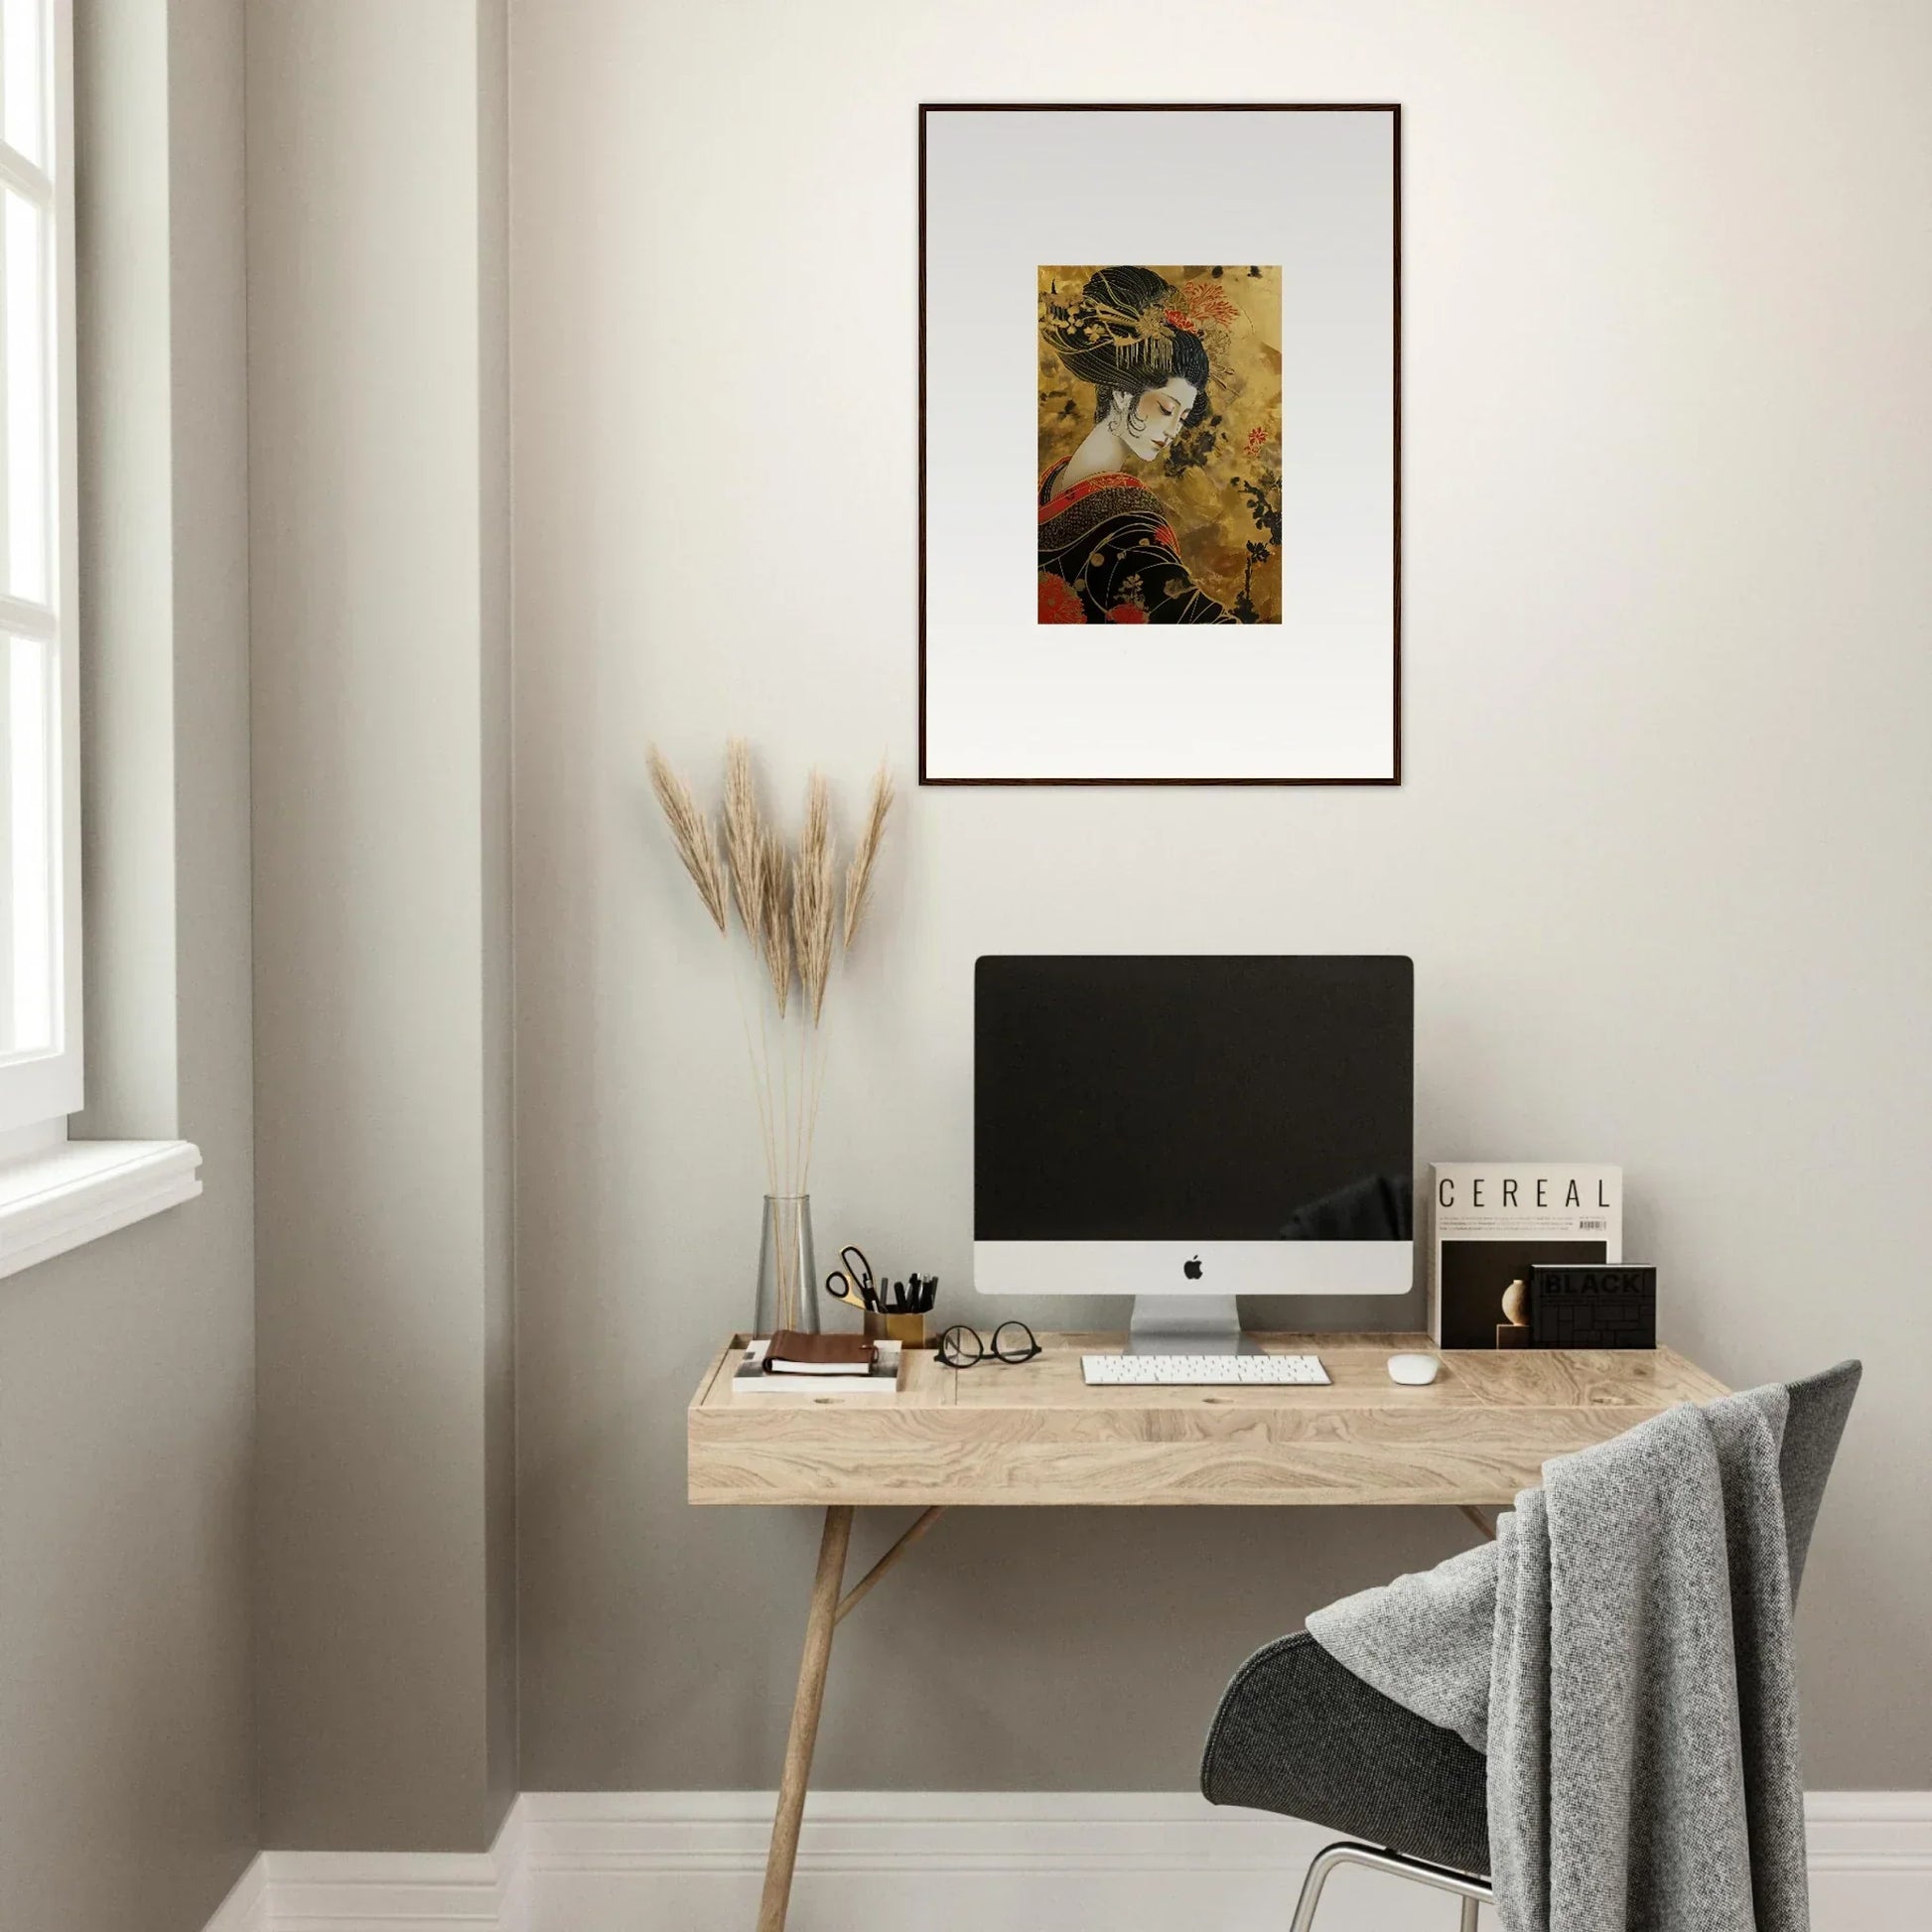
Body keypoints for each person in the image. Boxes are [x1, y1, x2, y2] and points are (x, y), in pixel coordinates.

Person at [1037, 266, 1239, 624]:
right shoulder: (1131, 536)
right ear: (1120, 393)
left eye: (1182, 416)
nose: (1173, 429)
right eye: (1165, 408)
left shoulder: (1054, 489)